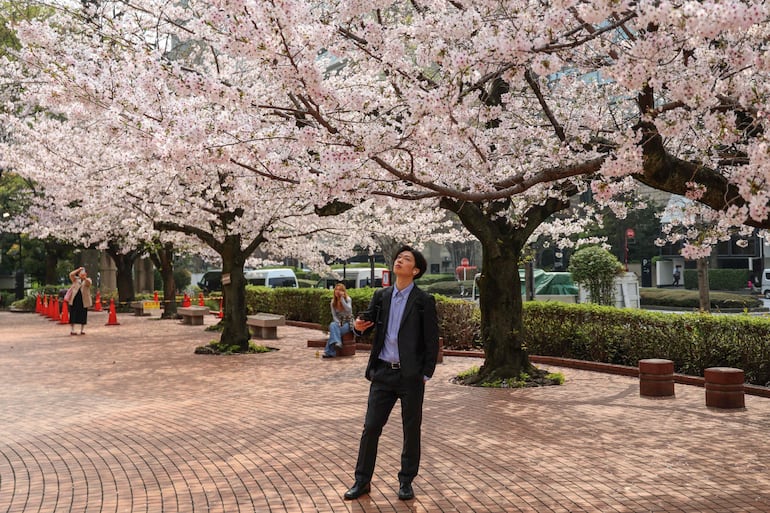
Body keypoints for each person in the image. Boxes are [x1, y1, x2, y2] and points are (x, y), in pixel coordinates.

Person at [343, 246, 439, 502]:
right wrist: (358, 326)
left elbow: (431, 340)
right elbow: (366, 323)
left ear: (415, 270)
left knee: (411, 429)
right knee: (371, 427)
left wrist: (425, 373)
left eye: (406, 259)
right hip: (383, 373)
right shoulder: (381, 295)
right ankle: (362, 481)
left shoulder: (423, 301)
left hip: (411, 376)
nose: (399, 261)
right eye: (398, 257)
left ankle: (406, 481)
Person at [322, 283, 353, 358]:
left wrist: (342, 299)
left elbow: (349, 310)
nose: (337, 291)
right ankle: (338, 343)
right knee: (332, 325)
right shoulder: (333, 302)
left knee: (334, 333)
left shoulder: (348, 299)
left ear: (343, 291)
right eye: (336, 289)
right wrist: (338, 322)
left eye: (340, 290)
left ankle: (329, 352)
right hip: (338, 322)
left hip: (348, 322)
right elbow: (334, 315)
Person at [67, 266, 92, 335]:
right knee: (73, 314)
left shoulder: (88, 280)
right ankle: (72, 330)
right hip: (74, 299)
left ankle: (82, 330)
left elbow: (89, 283)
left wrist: (85, 278)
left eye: (84, 274)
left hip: (83, 300)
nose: (82, 275)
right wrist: (78, 270)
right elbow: (71, 274)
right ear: (78, 274)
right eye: (81, 274)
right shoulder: (75, 280)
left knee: (83, 315)